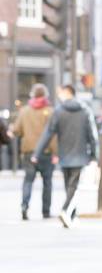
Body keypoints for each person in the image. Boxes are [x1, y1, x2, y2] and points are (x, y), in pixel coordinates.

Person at [31, 84, 99, 229]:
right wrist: (94, 154)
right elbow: (93, 135)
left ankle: (70, 214)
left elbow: (48, 133)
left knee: (69, 186)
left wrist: (37, 153)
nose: (59, 95)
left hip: (65, 155)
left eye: (60, 92)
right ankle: (67, 211)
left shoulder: (59, 111)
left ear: (68, 92)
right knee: (73, 187)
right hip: (80, 154)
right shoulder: (85, 110)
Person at [10, 83, 58, 220]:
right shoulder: (50, 111)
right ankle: (46, 211)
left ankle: (24, 207)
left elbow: (16, 130)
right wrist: (56, 153)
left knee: (28, 181)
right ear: (45, 95)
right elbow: (54, 135)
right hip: (46, 153)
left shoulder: (24, 111)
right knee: (47, 182)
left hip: (29, 152)